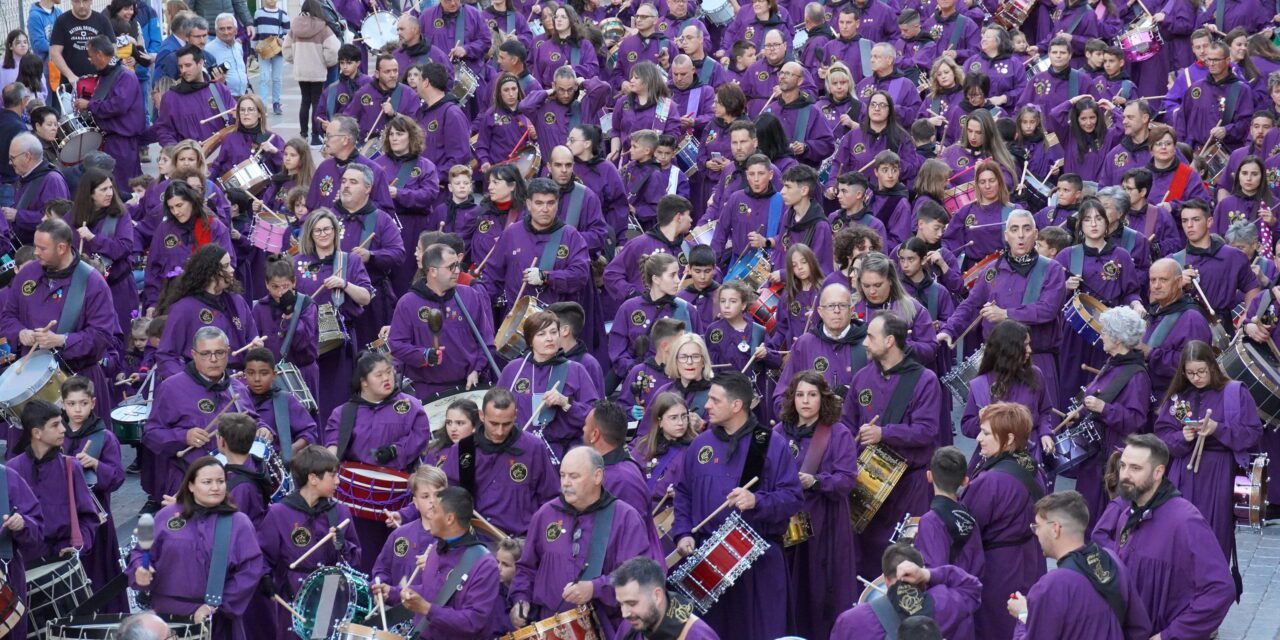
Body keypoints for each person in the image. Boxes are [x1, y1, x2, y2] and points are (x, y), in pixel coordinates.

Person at [672, 372, 803, 640]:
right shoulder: (700, 444)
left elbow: (793, 497)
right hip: (710, 561)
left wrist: (758, 501)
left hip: (758, 560)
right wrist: (683, 532)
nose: (706, 405)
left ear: (736, 406)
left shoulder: (770, 443)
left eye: (714, 400)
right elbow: (683, 494)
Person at [509, 446, 662, 635]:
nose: (565, 483)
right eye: (563, 475)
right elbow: (527, 568)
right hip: (549, 627)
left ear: (597, 477)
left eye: (574, 476)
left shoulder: (625, 518)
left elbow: (638, 578)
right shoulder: (545, 515)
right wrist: (520, 598)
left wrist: (595, 588)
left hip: (605, 628)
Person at [844, 313, 941, 577]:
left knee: (907, 555)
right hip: (867, 482)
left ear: (889, 341)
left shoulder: (925, 380)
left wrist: (883, 433)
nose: (864, 342)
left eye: (870, 337)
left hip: (910, 485)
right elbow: (847, 426)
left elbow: (927, 430)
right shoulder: (862, 378)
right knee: (865, 556)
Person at [939, 207, 1067, 406]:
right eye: (1014, 229)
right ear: (1006, 236)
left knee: (1039, 427)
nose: (1021, 235)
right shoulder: (991, 270)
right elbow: (971, 304)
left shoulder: (1052, 269)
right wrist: (949, 329)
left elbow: (1047, 310)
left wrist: (1006, 315)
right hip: (998, 363)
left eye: (1026, 229)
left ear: (1035, 234)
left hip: (1036, 360)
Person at [128, 456, 266, 640]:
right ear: (191, 486)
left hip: (215, 619)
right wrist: (139, 569)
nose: (216, 488)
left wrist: (218, 605)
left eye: (221, 481)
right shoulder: (167, 516)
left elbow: (250, 569)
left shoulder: (238, 522)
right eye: (207, 482)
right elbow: (140, 552)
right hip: (166, 620)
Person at [1154, 340, 1261, 567]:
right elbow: (1162, 435)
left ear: (1213, 366)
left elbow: (1253, 433)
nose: (1196, 377)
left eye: (1201, 371)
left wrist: (1218, 429)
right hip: (1183, 471)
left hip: (1219, 472)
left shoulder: (1234, 392)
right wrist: (1182, 436)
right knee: (1178, 532)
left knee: (1213, 534)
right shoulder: (1179, 397)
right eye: (1190, 372)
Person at [0, 217, 120, 419]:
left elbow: (101, 336)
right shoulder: (27, 273)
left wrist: (62, 340)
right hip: (29, 378)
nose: (35, 252)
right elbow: (7, 317)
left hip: (78, 381)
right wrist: (21, 333)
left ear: (62, 248)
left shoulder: (92, 283)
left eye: (42, 248)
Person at [323, 351, 430, 570]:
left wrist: (395, 451)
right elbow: (332, 447)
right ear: (363, 382)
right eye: (379, 374)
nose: (387, 378)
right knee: (361, 556)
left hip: (398, 500)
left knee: (397, 558)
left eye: (389, 372)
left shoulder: (410, 406)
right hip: (356, 499)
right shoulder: (343, 412)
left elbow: (421, 435)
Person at [771, 370, 857, 640]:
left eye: (812, 395)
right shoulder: (777, 432)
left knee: (821, 590)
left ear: (823, 399)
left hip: (824, 524)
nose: (805, 401)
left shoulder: (837, 432)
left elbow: (847, 479)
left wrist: (816, 481)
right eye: (799, 395)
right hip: (786, 524)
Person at [1008, 491, 1152, 639]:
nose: (1036, 532)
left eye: (1037, 526)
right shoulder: (1112, 561)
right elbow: (1140, 629)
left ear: (1055, 529)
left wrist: (1023, 614)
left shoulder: (1050, 586)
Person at [144, 326, 261, 503]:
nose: (213, 359)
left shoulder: (237, 388)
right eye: (206, 353)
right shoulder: (171, 388)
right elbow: (150, 434)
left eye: (219, 352)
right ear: (194, 354)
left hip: (233, 485)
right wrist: (184, 436)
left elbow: (253, 420)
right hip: (188, 482)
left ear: (228, 353)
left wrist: (263, 429)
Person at [961, 402, 1047, 639]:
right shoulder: (1031, 467)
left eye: (986, 433)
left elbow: (965, 525)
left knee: (994, 627)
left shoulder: (992, 481)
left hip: (997, 569)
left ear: (1009, 439)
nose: (979, 438)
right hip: (1029, 559)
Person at [257, 445, 361, 639]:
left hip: (330, 589)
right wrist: (265, 578)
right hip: (292, 591)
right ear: (313, 478)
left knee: (320, 637)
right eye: (333, 476)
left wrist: (342, 545)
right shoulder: (279, 513)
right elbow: (263, 555)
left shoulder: (339, 512)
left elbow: (356, 560)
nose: (338, 481)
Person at [437, 388, 559, 538]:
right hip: (476, 540)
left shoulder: (533, 447)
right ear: (482, 416)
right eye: (494, 423)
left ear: (515, 416)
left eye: (506, 424)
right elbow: (447, 500)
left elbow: (550, 498)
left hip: (521, 541)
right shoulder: (463, 449)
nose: (500, 431)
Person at [292, 208, 373, 423]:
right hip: (307, 342)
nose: (323, 234)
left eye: (327, 229)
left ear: (336, 231)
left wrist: (344, 284)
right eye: (317, 230)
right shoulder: (297, 263)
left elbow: (366, 297)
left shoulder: (349, 261)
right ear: (310, 234)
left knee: (339, 399)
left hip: (340, 343)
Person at [389, 242, 494, 399]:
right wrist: (424, 355)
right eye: (451, 267)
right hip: (427, 391)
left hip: (467, 387)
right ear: (433, 271)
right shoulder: (408, 303)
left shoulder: (470, 296)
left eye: (458, 265)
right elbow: (397, 345)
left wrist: (476, 369)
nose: (457, 271)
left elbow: (486, 341)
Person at [59, 376, 127, 612]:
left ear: (94, 403)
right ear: (62, 404)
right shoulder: (57, 434)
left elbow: (117, 477)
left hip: (96, 518)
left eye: (83, 403)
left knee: (100, 573)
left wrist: (96, 464)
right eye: (71, 404)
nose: (78, 409)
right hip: (63, 518)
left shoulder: (104, 436)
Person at [398, 486, 501, 639]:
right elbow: (432, 590)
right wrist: (396, 593)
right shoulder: (435, 549)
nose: (429, 515)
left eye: (434, 510)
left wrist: (427, 609)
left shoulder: (485, 565)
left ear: (449, 518)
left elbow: (473, 621)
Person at [495, 311, 599, 459]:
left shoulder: (575, 370)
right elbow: (496, 409)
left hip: (561, 454)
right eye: (541, 334)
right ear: (530, 340)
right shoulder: (513, 370)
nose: (549, 338)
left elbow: (594, 417)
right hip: (519, 451)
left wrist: (565, 403)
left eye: (553, 332)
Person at [10, 400, 98, 568]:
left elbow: (88, 517)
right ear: (37, 433)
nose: (63, 429)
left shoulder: (71, 466)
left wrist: (77, 547)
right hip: (26, 561)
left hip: (64, 559)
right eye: (55, 425)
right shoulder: (12, 470)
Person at [831, 544, 982, 640]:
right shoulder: (942, 604)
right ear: (919, 575)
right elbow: (972, 586)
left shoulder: (850, 621)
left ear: (885, 579)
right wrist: (928, 574)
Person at [153, 245, 258, 380]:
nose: (232, 269)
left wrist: (255, 350)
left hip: (240, 383)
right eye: (226, 266)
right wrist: (187, 383)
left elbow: (252, 338)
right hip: (201, 384)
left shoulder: (237, 302)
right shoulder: (184, 308)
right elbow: (166, 356)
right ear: (210, 272)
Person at [773, 282, 867, 411]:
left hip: (856, 427)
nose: (836, 311)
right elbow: (782, 395)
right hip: (813, 426)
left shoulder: (867, 343)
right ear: (820, 312)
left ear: (852, 310)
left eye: (842, 305)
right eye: (830, 306)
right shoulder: (805, 344)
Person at [67, 168, 138, 336]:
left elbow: (124, 248)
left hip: (117, 286)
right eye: (103, 189)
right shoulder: (72, 217)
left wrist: (94, 238)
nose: (109, 193)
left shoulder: (120, 215)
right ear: (90, 193)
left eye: (110, 188)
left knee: (121, 336)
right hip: (84, 288)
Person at [74, 35, 145, 188]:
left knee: (124, 187)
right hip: (112, 139)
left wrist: (89, 105)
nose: (91, 61)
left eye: (91, 56)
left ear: (99, 54)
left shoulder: (125, 75)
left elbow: (117, 106)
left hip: (123, 141)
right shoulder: (109, 74)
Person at [372, 465, 446, 606]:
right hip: (396, 616)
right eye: (425, 496)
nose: (432, 501)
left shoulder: (453, 539)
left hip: (432, 618)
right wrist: (381, 588)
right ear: (416, 503)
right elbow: (382, 569)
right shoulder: (399, 535)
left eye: (438, 495)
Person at [1143, 258, 1213, 396]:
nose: (1156, 286)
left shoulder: (1192, 318)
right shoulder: (1155, 310)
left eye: (1163, 280)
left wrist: (1150, 353)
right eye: (1153, 280)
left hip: (1177, 399)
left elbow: (1194, 366)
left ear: (1179, 281)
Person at [611, 556, 721, 640]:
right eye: (621, 604)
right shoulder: (629, 626)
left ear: (657, 596)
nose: (624, 614)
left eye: (632, 603)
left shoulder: (697, 636)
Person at [916, 446, 984, 578]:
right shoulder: (967, 513)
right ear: (965, 481)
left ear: (929, 476)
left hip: (949, 595)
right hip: (972, 591)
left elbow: (936, 572)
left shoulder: (930, 521)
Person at [241, 348, 317, 460]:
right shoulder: (239, 399)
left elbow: (309, 431)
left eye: (264, 373)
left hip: (278, 463)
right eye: (251, 373)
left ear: (274, 374)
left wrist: (292, 449)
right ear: (244, 374)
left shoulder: (285, 400)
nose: (257, 379)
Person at [306, 115, 393, 212]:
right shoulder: (324, 167)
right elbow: (310, 206)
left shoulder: (374, 171)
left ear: (345, 140)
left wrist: (357, 204)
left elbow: (386, 211)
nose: (325, 140)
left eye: (329, 136)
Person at [153, 45, 236, 146]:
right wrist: (176, 151)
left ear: (200, 63)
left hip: (224, 154)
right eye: (180, 66)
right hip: (190, 158)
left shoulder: (219, 89)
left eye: (188, 65)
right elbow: (165, 132)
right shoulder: (170, 98)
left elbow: (234, 120)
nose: (183, 70)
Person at [285, 6, 341, 146]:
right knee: (316, 101)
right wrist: (328, 62)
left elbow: (286, 48)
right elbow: (334, 49)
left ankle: (303, 134)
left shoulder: (295, 27)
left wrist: (295, 60)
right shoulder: (323, 27)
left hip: (301, 70)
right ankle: (316, 136)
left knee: (305, 101)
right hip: (317, 70)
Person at [6, 132, 70, 246]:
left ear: (27, 156)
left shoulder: (52, 180)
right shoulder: (26, 176)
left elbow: (56, 221)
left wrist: (17, 215)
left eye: (12, 158)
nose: (10, 162)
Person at [648, 334, 715, 430]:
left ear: (703, 361)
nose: (689, 362)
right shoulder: (664, 392)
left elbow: (726, 432)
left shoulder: (715, 394)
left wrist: (702, 425)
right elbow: (646, 432)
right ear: (675, 361)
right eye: (683, 357)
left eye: (695, 356)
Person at [49, 0, 115, 86]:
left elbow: (113, 48)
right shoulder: (62, 21)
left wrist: (105, 72)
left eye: (85, 1)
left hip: (99, 81)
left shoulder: (102, 20)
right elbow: (55, 52)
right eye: (77, 1)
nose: (81, 5)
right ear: (71, 2)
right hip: (71, 82)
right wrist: (70, 76)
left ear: (91, 1)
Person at [205, 14, 246, 97]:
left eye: (229, 28)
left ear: (236, 30)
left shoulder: (238, 46)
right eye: (222, 29)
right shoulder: (208, 49)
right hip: (223, 98)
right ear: (216, 31)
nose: (226, 32)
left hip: (242, 96)